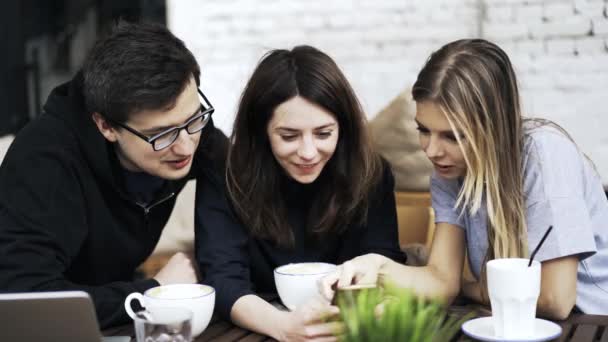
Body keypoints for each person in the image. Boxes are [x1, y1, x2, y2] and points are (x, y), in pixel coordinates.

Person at [320, 38, 608, 319]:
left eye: (453, 136)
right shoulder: (451, 174)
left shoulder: (545, 155)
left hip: (590, 320)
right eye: (424, 130)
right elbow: (442, 283)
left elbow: (555, 300)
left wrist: (471, 289)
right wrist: (375, 266)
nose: (432, 151)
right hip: (515, 319)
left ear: (493, 127)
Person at [0, 22, 228, 328]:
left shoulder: (187, 130)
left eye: (194, 119)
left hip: (114, 311)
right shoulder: (44, 161)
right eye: (161, 135)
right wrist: (151, 293)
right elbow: (24, 299)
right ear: (106, 126)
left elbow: (247, 178)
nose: (186, 146)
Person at [195, 45, 405, 341]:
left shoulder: (371, 174)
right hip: (259, 327)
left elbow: (383, 261)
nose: (308, 153)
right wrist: (284, 327)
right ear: (261, 131)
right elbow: (223, 279)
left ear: (342, 128)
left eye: (323, 134)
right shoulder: (225, 173)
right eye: (289, 136)